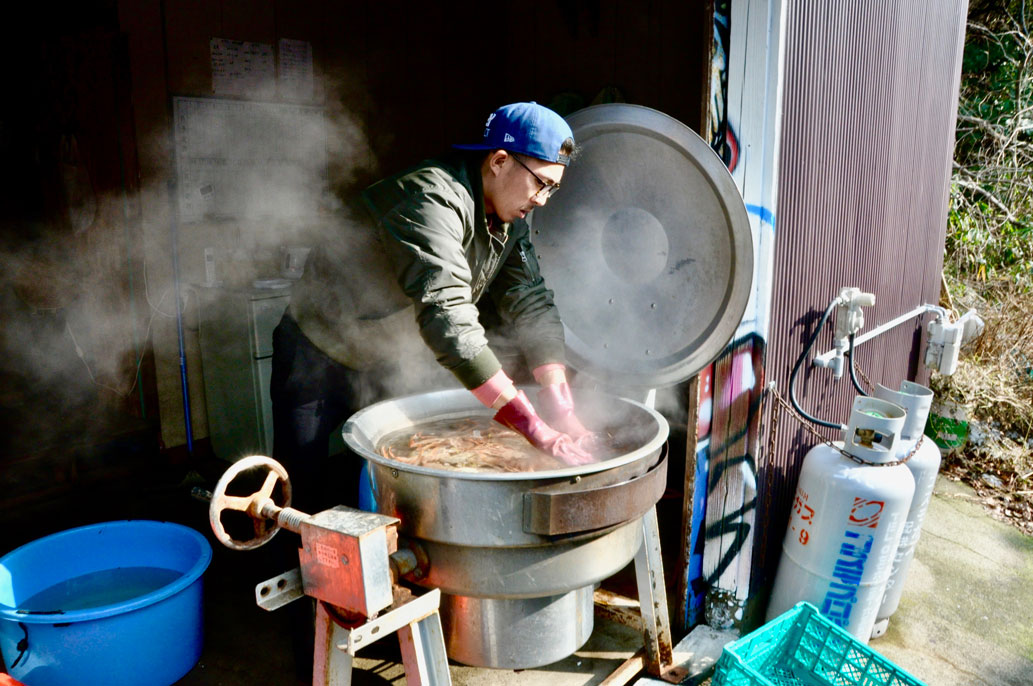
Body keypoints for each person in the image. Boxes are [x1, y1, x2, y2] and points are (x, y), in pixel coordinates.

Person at [270, 101, 595, 516]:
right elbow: (448, 315)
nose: (544, 200)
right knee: (299, 485)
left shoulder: (509, 221)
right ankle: (286, 573)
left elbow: (531, 302)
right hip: (316, 351)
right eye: (541, 184)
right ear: (499, 161)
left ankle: (371, 565)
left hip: (386, 356)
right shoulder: (430, 200)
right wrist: (534, 428)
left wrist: (562, 408)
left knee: (389, 475)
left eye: (554, 188)